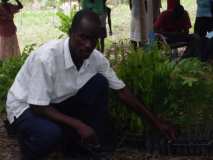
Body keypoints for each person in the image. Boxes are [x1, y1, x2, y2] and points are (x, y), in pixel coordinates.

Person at [6, 9, 175, 160]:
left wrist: (156, 123)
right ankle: (28, 142)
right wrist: (79, 125)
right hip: (25, 107)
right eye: (82, 37)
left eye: (93, 39)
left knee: (99, 83)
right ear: (70, 33)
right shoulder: (47, 58)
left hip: (54, 102)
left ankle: (74, 145)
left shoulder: (95, 59)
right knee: (50, 135)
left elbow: (122, 92)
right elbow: (38, 106)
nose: (88, 45)